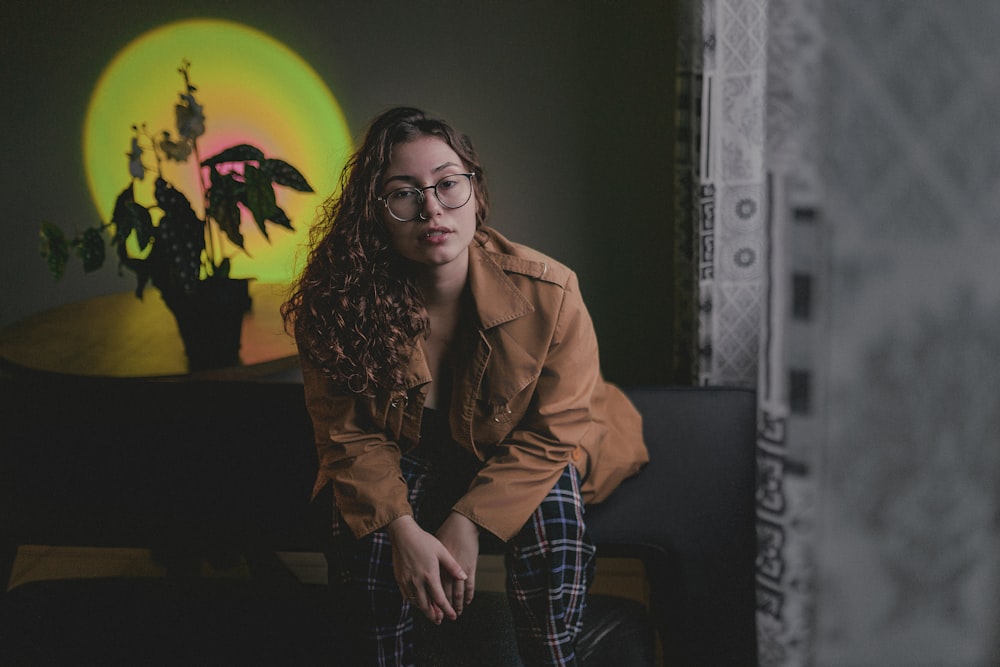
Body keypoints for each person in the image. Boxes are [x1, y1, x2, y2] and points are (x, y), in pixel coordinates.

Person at [282, 106, 648, 667]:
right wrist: (402, 529)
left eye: (448, 185)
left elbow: (554, 432)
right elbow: (348, 437)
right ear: (375, 212)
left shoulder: (551, 292)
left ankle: (555, 658)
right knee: (368, 536)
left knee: (555, 517)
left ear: (475, 193)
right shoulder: (335, 305)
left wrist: (468, 522)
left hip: (515, 449)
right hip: (405, 453)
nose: (432, 208)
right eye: (404, 193)